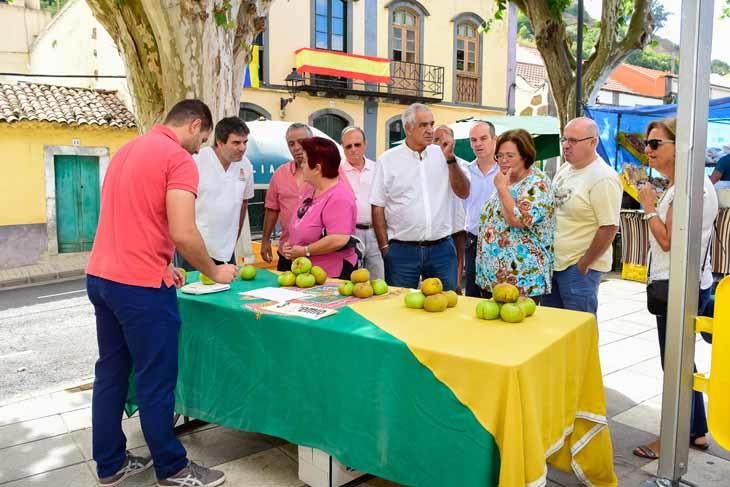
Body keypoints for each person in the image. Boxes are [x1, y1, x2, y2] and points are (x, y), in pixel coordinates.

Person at [86, 99, 235, 487]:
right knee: (156, 380)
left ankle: (110, 464)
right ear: (195, 125)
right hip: (140, 289)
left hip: (102, 277)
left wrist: (162, 262)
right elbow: (183, 231)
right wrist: (214, 271)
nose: (200, 148)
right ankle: (173, 468)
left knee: (111, 373)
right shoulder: (177, 158)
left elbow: (133, 216)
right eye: (202, 139)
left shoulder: (127, 150)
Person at [633, 118, 717, 460]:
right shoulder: (682, 184)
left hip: (680, 288)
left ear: (679, 147)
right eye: (647, 144)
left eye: (655, 144)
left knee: (675, 366)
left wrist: (648, 205)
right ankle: (696, 429)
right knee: (683, 363)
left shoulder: (689, 188)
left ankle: (672, 438)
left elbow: (667, 241)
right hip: (682, 284)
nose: (648, 150)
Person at [370, 103, 470, 291]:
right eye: (423, 125)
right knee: (400, 307)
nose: (430, 130)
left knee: (445, 306)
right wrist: (385, 248)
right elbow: (377, 206)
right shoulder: (388, 160)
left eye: (431, 124)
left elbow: (463, 192)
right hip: (402, 250)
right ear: (408, 128)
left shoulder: (443, 155)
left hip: (442, 248)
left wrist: (450, 159)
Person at [542, 117, 622, 314]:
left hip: (578, 269)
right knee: (554, 330)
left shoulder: (602, 178)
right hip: (554, 263)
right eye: (564, 140)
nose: (566, 146)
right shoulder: (565, 169)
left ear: (593, 142)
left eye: (573, 141)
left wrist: (584, 264)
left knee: (579, 330)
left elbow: (609, 227)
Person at [475, 129, 555, 299]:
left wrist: (502, 189)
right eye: (500, 156)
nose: (503, 161)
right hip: (494, 277)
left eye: (510, 156)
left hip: (522, 279)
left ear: (525, 156)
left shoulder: (537, 184)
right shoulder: (506, 180)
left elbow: (517, 220)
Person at [179, 117, 254, 270]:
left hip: (227, 251)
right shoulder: (196, 160)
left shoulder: (245, 165)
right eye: (236, 143)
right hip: (195, 249)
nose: (242, 148)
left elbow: (243, 203)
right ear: (219, 142)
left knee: (228, 292)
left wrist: (234, 238)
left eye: (245, 142)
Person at [281, 137, 358, 278]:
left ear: (317, 168)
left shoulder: (339, 196)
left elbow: (338, 239)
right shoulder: (311, 190)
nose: (301, 165)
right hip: (307, 273)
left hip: (331, 275)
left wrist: (305, 250)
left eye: (304, 161)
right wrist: (291, 245)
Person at [260, 123, 313, 271]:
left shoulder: (327, 171)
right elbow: (272, 209)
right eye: (291, 144)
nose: (296, 147)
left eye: (301, 142)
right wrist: (265, 241)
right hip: (288, 253)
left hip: (319, 254)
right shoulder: (280, 174)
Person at [340, 126, 384, 279]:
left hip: (375, 232)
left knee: (378, 280)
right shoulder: (336, 173)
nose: (353, 149)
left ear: (365, 144)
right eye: (348, 146)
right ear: (343, 148)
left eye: (357, 145)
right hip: (350, 234)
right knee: (352, 281)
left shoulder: (378, 169)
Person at [463, 121, 499, 297]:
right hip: (473, 242)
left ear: (495, 140)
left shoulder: (507, 171)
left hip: (501, 243)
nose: (478, 144)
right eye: (473, 140)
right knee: (472, 296)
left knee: (499, 295)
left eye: (483, 138)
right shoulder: (464, 172)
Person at [434, 124, 470, 293]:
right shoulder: (428, 166)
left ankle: (455, 287)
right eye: (436, 139)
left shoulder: (463, 165)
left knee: (458, 258)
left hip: (457, 223)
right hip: (438, 225)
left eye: (444, 138)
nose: (441, 142)